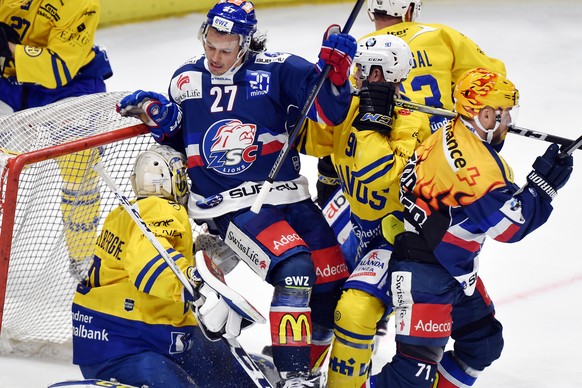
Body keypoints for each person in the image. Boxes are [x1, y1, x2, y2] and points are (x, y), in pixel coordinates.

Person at [116, 1, 357, 386]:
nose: (215, 56)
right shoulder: (186, 80)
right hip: (232, 205)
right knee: (295, 271)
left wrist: (337, 74)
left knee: (332, 285)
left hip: (290, 196)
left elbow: (329, 113)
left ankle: (299, 368)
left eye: (225, 50)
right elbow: (187, 137)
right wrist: (161, 118)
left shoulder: (279, 69)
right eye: (210, 45)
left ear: (245, 45)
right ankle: (294, 378)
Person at [370, 67, 574, 387]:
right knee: (410, 378)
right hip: (425, 270)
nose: (510, 123)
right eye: (505, 114)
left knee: (483, 344)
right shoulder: (476, 166)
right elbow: (509, 227)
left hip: (449, 265)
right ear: (486, 115)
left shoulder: (450, 128)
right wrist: (542, 186)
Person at [298, 34, 430, 386]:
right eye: (363, 70)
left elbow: (378, 177)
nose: (370, 79)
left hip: (401, 240)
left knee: (354, 311)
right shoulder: (353, 106)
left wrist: (373, 125)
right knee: (314, 276)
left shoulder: (412, 122)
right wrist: (327, 84)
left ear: (397, 77)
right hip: (362, 225)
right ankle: (301, 372)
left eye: (380, 73)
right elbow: (308, 139)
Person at [72, 144, 256, 387]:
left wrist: (197, 256)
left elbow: (152, 250)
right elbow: (146, 261)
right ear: (176, 179)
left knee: (232, 371)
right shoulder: (159, 209)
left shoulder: (125, 212)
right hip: (128, 344)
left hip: (137, 336)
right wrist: (193, 280)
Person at [316, 0, 506, 208]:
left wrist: (327, 173)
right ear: (409, 9)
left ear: (371, 11)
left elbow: (341, 112)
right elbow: (492, 79)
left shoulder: (360, 48)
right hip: (442, 153)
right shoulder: (441, 34)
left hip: (387, 155)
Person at [0, 0, 113, 281]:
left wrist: (9, 48)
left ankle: (83, 256)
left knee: (80, 176)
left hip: (70, 84)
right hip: (9, 80)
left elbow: (57, 68)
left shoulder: (81, 3)